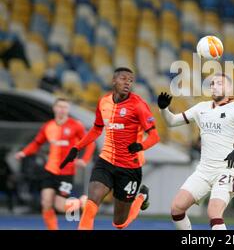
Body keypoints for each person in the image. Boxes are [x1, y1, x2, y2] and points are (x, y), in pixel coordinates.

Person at [59, 67, 160, 230]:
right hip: (106, 162)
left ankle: (141, 197)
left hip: (129, 167)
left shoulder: (138, 105)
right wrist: (76, 148)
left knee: (119, 223)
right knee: (91, 203)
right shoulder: (104, 102)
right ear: (114, 81)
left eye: (130, 80)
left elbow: (155, 136)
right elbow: (97, 129)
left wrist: (140, 146)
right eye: (123, 79)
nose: (127, 83)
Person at [158, 73, 234, 230]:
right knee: (176, 208)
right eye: (212, 84)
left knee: (214, 212)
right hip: (203, 170)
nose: (214, 86)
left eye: (219, 83)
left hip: (225, 170)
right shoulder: (201, 108)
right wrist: (163, 109)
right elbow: (171, 121)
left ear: (229, 88)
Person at [15, 98, 95, 230]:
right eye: (60, 107)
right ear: (54, 108)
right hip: (50, 170)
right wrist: (24, 153)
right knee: (46, 202)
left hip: (66, 172)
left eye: (65, 107)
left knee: (60, 206)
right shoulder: (48, 126)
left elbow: (90, 142)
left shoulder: (75, 125)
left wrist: (84, 159)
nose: (62, 110)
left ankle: (82, 203)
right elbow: (37, 142)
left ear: (68, 110)